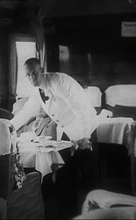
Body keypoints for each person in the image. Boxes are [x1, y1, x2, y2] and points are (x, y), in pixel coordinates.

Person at [10, 58, 112, 217]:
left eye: (34, 73)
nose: (32, 78)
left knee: (89, 177)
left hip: (86, 126)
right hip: (67, 130)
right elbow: (27, 111)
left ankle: (98, 215)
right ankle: (69, 214)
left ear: (42, 70)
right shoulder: (37, 90)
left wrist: (83, 137)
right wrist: (10, 126)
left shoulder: (60, 81)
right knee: (66, 176)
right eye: (28, 75)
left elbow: (81, 109)